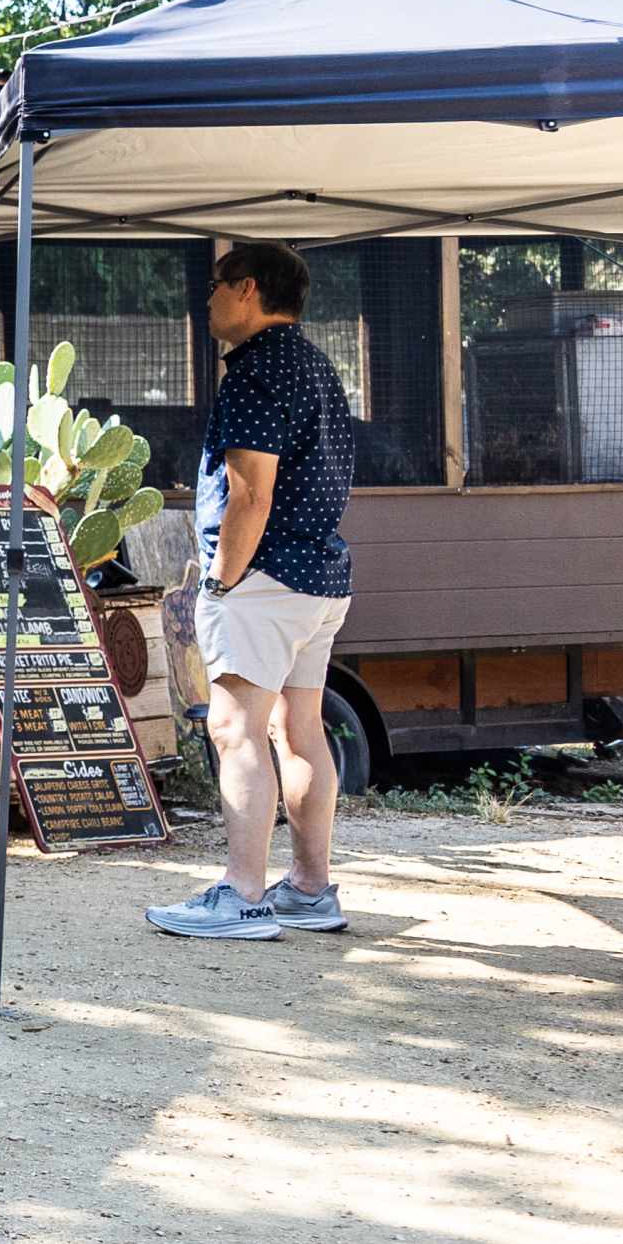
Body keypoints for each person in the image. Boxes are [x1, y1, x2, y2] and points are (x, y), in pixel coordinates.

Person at [146, 239, 360, 942]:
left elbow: (250, 493)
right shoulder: (318, 366)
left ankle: (241, 894)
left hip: (264, 579)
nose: (205, 299)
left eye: (214, 285)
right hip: (319, 578)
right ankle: (309, 889)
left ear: (245, 290)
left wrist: (220, 578)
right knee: (298, 731)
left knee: (234, 728)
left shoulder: (256, 371)